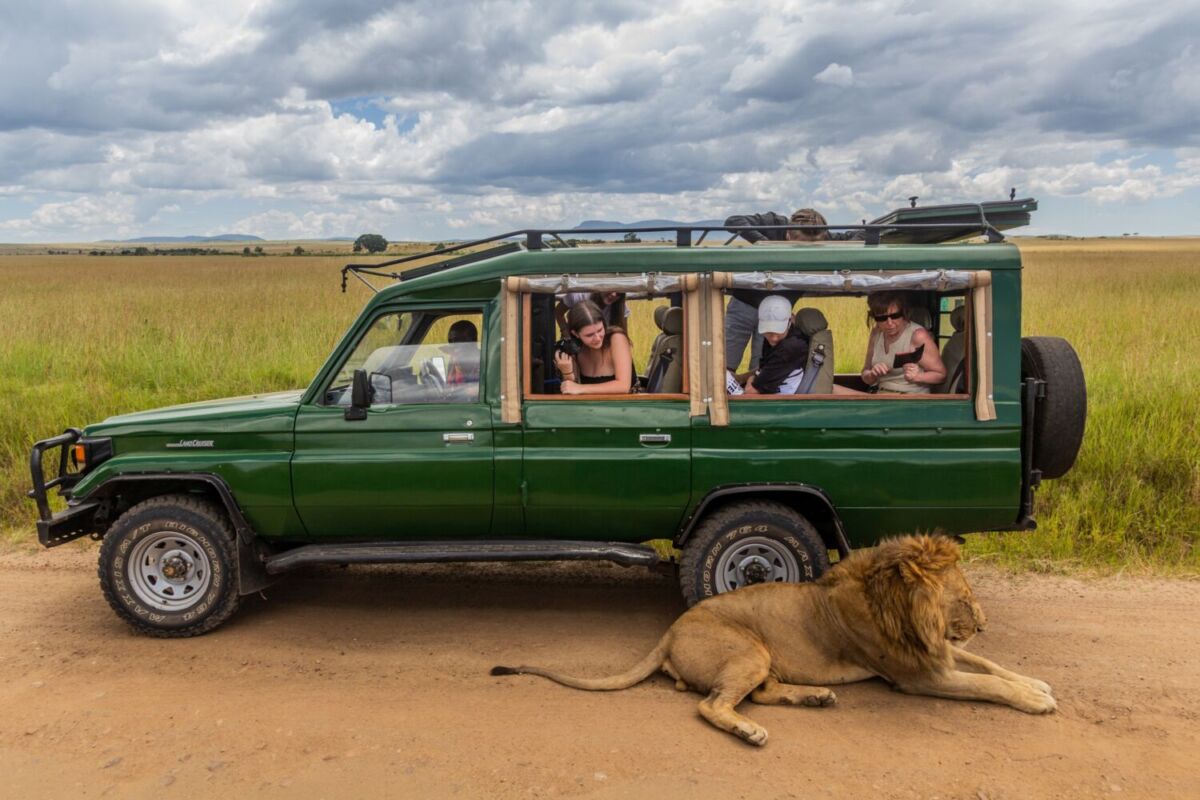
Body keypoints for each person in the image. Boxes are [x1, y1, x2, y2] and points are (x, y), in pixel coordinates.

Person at [722, 208, 856, 371]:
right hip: (744, 306)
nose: (805, 255)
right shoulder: (775, 224)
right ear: (787, 234)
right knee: (724, 365)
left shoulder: (824, 236)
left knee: (762, 369)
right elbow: (733, 221)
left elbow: (855, 236)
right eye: (798, 248)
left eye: (813, 250)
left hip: (779, 315)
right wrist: (770, 249)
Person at [860, 292, 946, 394]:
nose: (890, 323)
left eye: (895, 316)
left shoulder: (918, 335)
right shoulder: (876, 333)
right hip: (880, 394)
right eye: (882, 318)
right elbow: (865, 373)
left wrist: (918, 377)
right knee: (835, 389)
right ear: (874, 317)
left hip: (908, 399)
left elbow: (941, 375)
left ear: (903, 313)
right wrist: (872, 374)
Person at [554, 300, 634, 395]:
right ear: (575, 334)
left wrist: (580, 388)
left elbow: (623, 386)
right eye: (589, 335)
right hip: (589, 407)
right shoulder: (575, 349)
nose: (597, 338)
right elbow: (571, 390)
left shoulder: (616, 338)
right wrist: (567, 372)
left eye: (600, 330)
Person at [741, 295, 810, 395]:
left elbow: (752, 391)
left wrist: (751, 379)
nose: (773, 338)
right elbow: (768, 367)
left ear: (790, 321)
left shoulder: (789, 348)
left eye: (779, 331)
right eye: (768, 331)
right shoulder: (784, 339)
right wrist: (741, 378)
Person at [555, 291, 628, 335]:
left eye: (619, 293)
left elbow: (623, 334)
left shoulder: (620, 307)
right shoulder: (579, 295)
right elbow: (558, 312)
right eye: (611, 288)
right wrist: (565, 332)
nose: (613, 294)